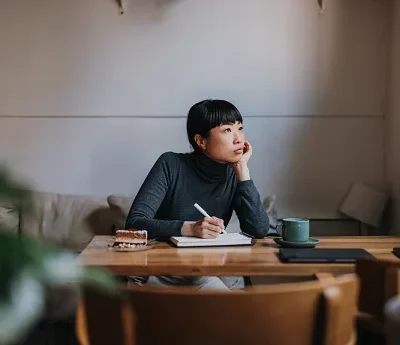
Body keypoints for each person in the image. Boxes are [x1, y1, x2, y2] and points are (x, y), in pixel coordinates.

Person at [125, 99, 269, 290]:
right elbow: (134, 223)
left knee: (236, 281)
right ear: (201, 141)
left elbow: (258, 230)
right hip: (168, 267)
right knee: (219, 289)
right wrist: (189, 229)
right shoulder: (171, 164)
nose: (239, 139)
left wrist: (243, 171)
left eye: (240, 128)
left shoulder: (233, 173)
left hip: (212, 264)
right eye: (227, 130)